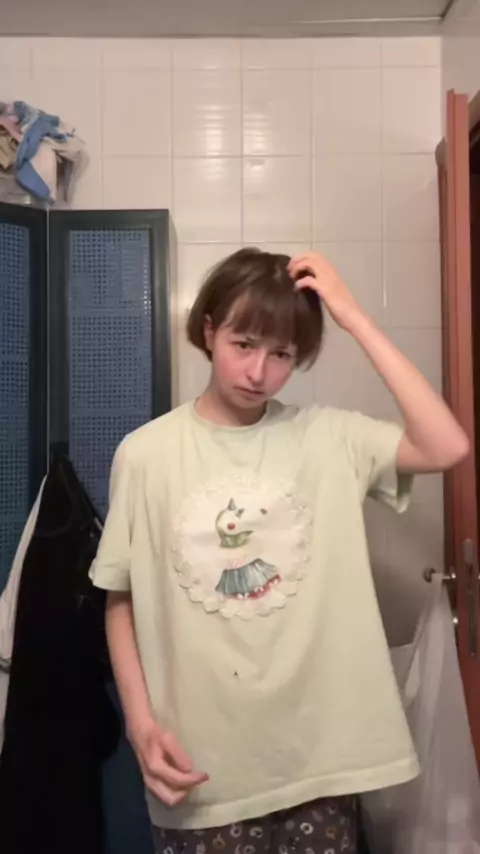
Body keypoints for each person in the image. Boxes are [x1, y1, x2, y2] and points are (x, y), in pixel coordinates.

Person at [90, 249, 469, 854]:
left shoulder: (329, 437)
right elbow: (121, 599)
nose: (258, 372)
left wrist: (351, 316)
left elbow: (446, 445)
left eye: (282, 355)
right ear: (209, 330)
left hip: (318, 763)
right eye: (243, 344)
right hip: (202, 769)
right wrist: (140, 724)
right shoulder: (146, 454)